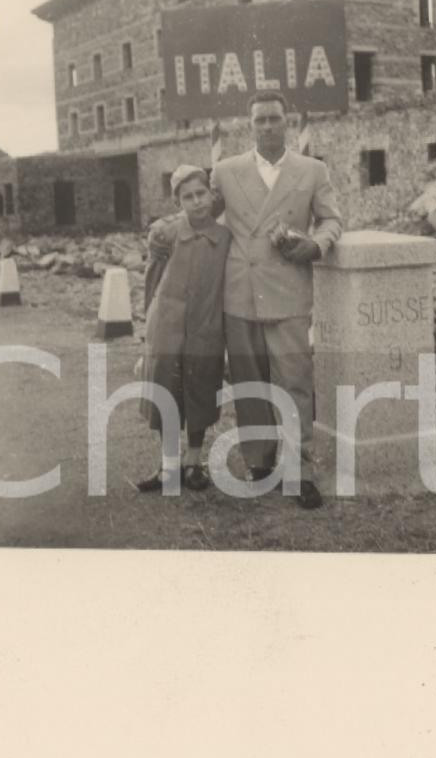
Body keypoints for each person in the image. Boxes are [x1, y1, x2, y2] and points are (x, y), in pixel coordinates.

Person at [211, 90, 343, 509]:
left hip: (288, 289)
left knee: (294, 381)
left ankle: (299, 468)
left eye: (274, 119)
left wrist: (316, 246)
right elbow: (204, 219)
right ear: (248, 125)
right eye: (259, 120)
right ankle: (259, 462)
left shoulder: (312, 169)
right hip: (240, 291)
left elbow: (332, 219)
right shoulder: (226, 171)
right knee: (249, 383)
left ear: (286, 122)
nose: (267, 126)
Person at [136, 165, 230, 493]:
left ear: (211, 194)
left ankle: (194, 463)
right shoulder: (166, 234)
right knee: (166, 390)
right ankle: (168, 466)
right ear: (178, 201)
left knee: (201, 390)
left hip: (206, 327)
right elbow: (152, 282)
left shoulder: (224, 238)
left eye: (201, 194)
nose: (197, 202)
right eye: (187, 197)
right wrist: (147, 330)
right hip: (167, 327)